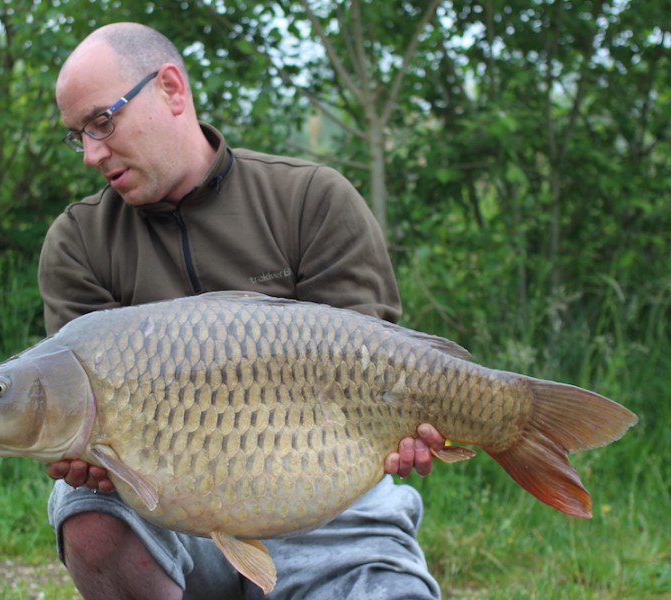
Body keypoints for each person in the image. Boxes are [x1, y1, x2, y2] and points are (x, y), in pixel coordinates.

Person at [39, 22, 446, 600]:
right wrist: (80, 456)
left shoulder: (311, 199)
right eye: (77, 135)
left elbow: (376, 373)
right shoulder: (79, 241)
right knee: (83, 506)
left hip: (326, 509)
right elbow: (73, 411)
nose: (91, 154)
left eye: (102, 122)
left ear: (172, 89)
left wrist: (404, 427)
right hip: (171, 517)